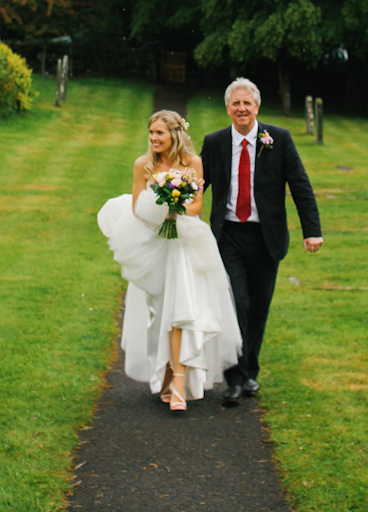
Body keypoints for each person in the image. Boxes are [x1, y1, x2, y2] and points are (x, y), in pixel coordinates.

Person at [97, 110, 241, 413]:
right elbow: (137, 206)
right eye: (151, 133)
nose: (153, 139)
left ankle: (179, 381)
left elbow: (199, 202)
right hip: (154, 243)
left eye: (159, 133)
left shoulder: (192, 163)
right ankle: (163, 376)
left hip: (185, 244)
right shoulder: (142, 165)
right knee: (157, 313)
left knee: (181, 310)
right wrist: (162, 212)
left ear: (174, 134)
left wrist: (178, 209)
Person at [201, 78, 323, 406]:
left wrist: (312, 229)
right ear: (227, 108)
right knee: (235, 303)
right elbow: (198, 186)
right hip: (227, 237)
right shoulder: (214, 142)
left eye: (247, 103)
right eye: (235, 103)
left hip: (265, 238)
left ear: (257, 107)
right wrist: (172, 214)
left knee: (259, 306)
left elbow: (300, 184)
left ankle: (250, 371)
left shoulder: (278, 139)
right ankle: (234, 379)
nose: (242, 108)